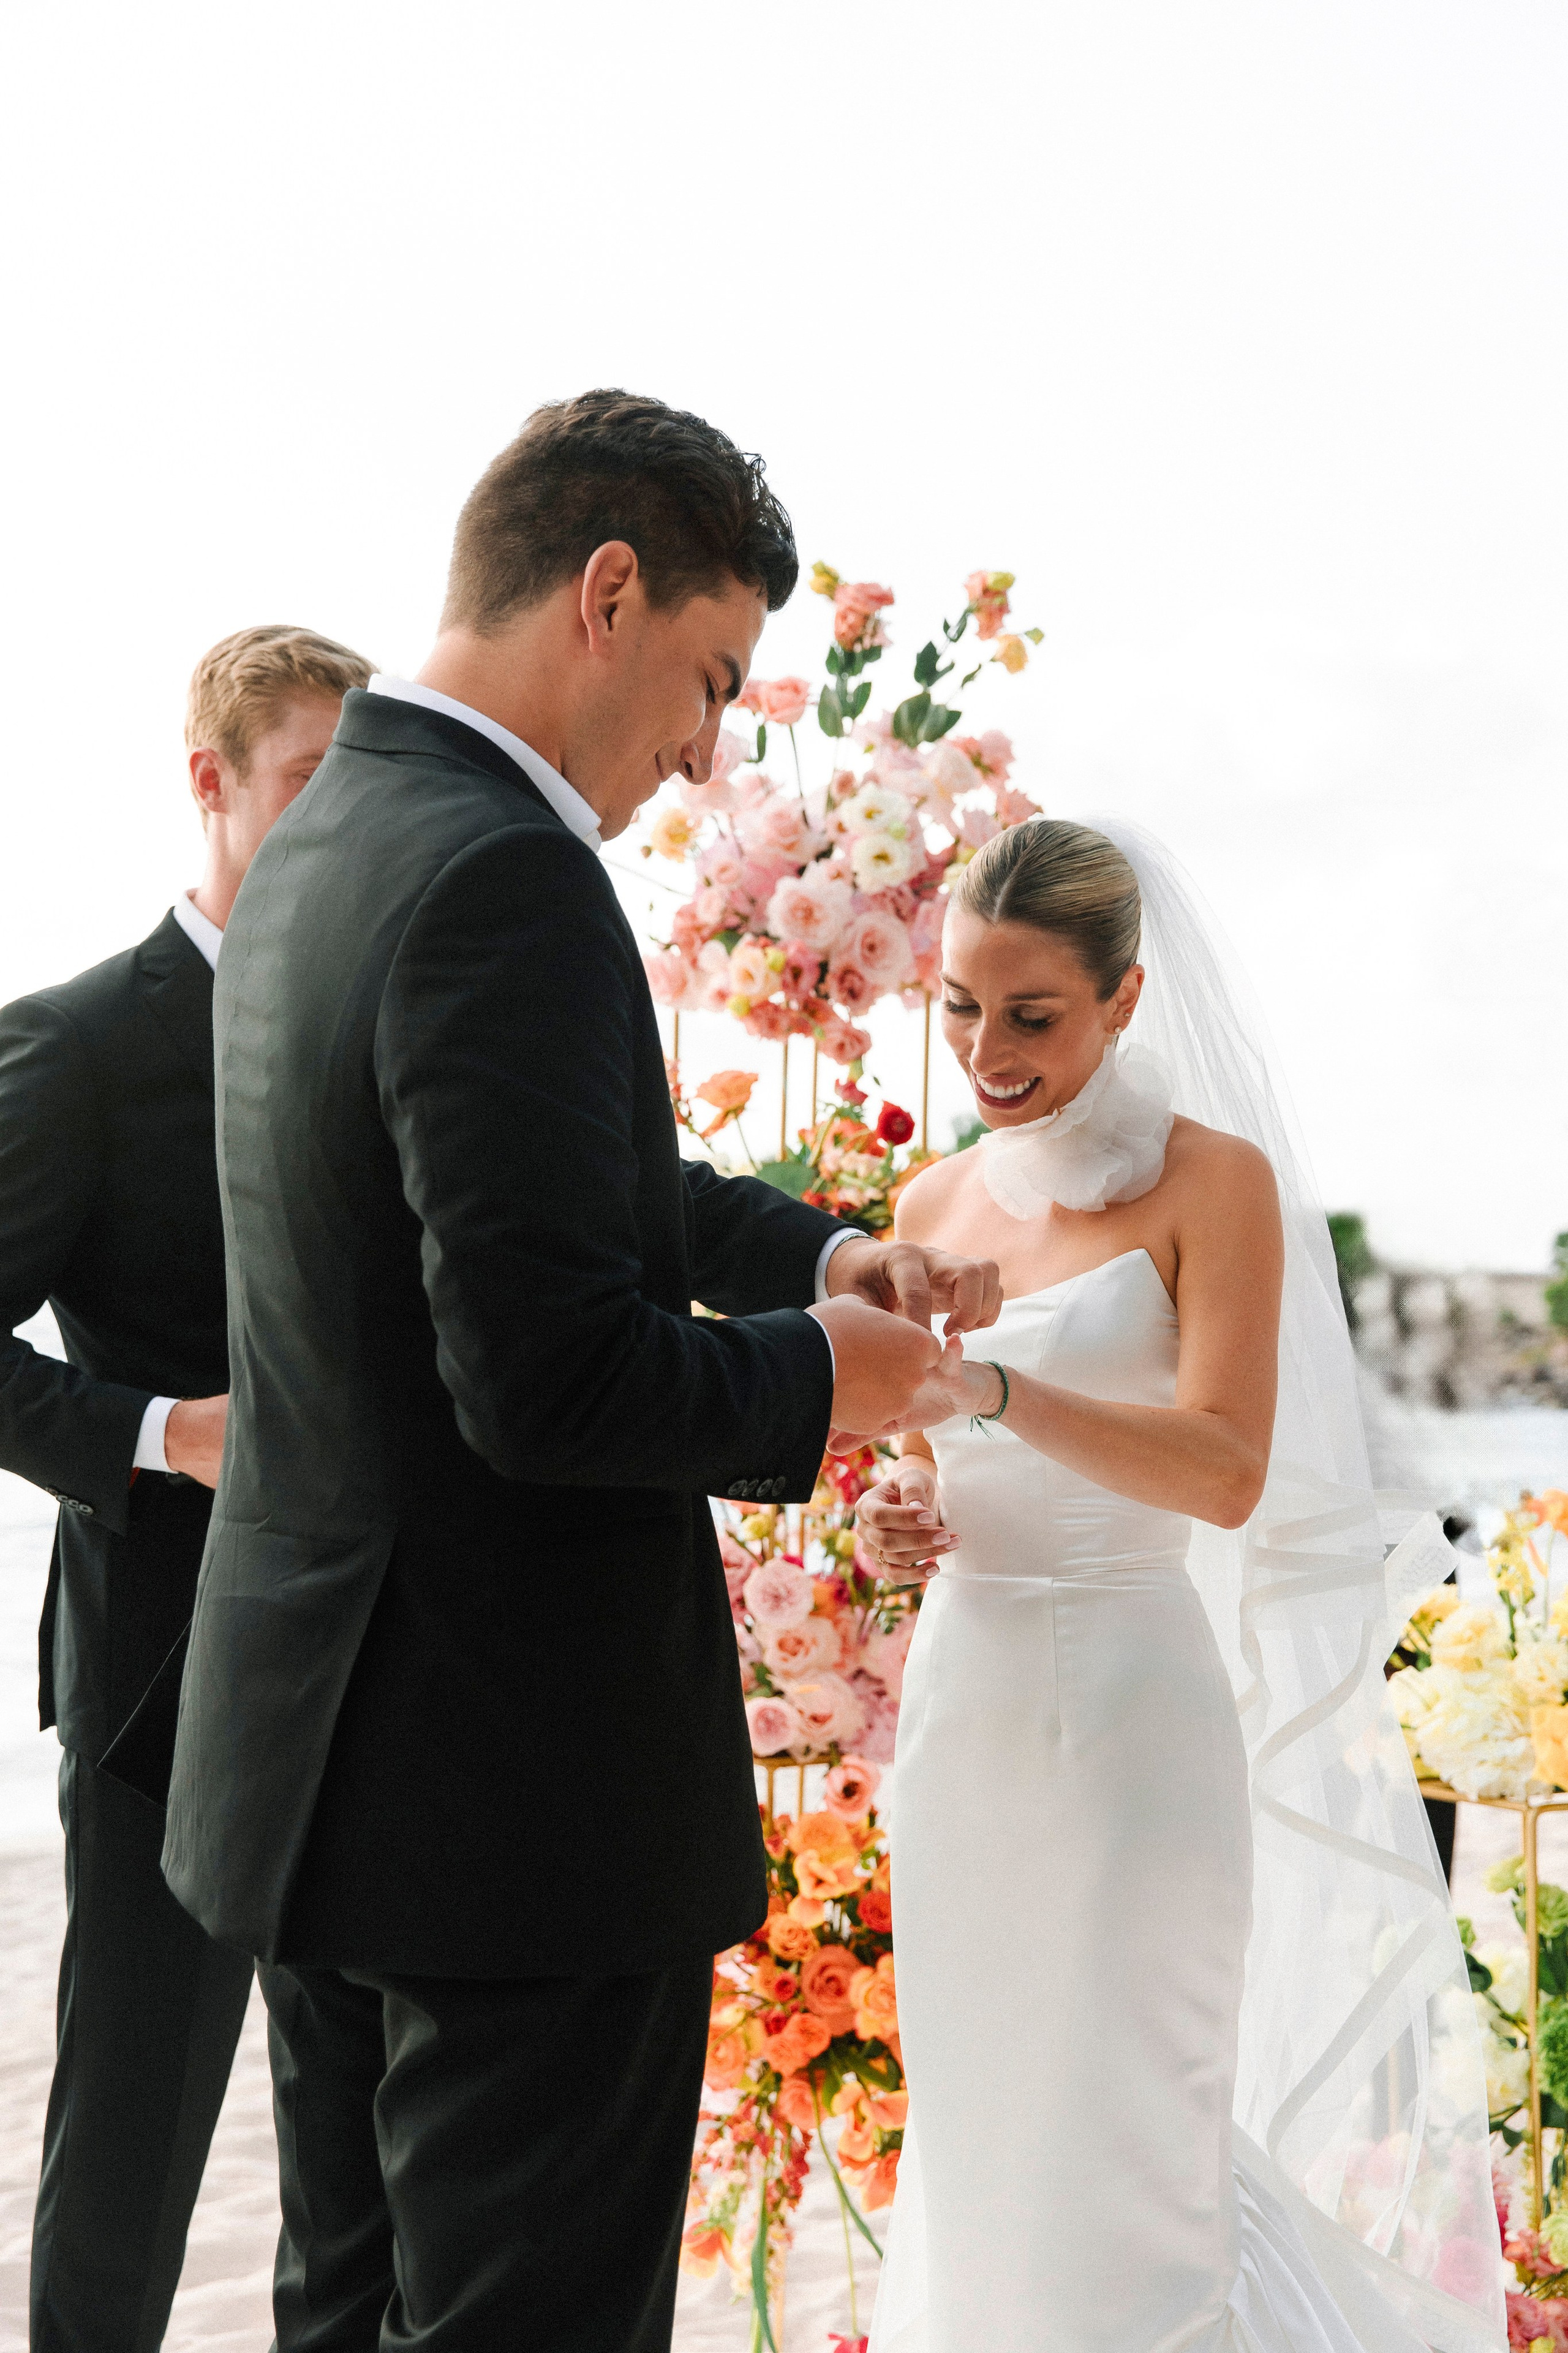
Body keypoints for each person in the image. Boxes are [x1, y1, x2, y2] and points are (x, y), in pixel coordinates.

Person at [160, 390, 997, 2353]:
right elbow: (542, 1378)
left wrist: (812, 1244)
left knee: (350, 2312)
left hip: (325, 1761)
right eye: (710, 679)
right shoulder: (505, 878)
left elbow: (546, 1178)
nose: (708, 751)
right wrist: (822, 1377)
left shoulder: (327, 835)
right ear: (606, 593)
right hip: (510, 1805)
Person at [856, 818, 1504, 2353]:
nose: (985, 1048)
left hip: (1132, 1718)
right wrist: (898, 1512)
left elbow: (1222, 1468)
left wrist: (992, 1399)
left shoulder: (1211, 1186)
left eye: (1031, 1015)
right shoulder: (932, 1200)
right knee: (984, 2125)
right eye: (958, 1004)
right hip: (969, 1712)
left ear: (1124, 998)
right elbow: (918, 1453)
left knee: (1127, 2127)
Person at [0, 623, 372, 2353]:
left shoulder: (391, 1021)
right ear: (210, 780)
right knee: (134, 2141)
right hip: (166, 1679)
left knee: (359, 2154)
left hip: (389, 1674)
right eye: (305, 781)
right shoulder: (73, 1044)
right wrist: (163, 1430)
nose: (332, 824)